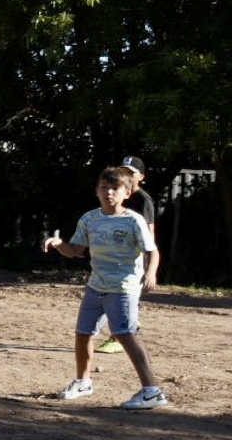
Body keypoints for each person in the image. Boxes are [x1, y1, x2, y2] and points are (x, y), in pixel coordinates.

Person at [43, 166, 169, 410]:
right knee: (83, 333)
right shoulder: (89, 219)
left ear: (127, 193)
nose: (109, 192)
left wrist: (151, 272)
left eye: (115, 188)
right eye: (104, 187)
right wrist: (59, 243)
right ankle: (83, 382)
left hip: (123, 287)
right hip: (96, 286)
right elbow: (76, 250)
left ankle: (152, 391)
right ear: (97, 190)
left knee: (125, 334)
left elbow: (152, 251)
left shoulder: (133, 220)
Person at [93, 155, 157, 354]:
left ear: (142, 177)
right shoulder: (116, 195)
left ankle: (119, 338)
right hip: (115, 259)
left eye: (131, 173)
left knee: (124, 297)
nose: (126, 175)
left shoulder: (142, 200)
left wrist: (148, 265)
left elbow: (149, 231)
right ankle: (127, 328)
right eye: (124, 171)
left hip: (133, 259)